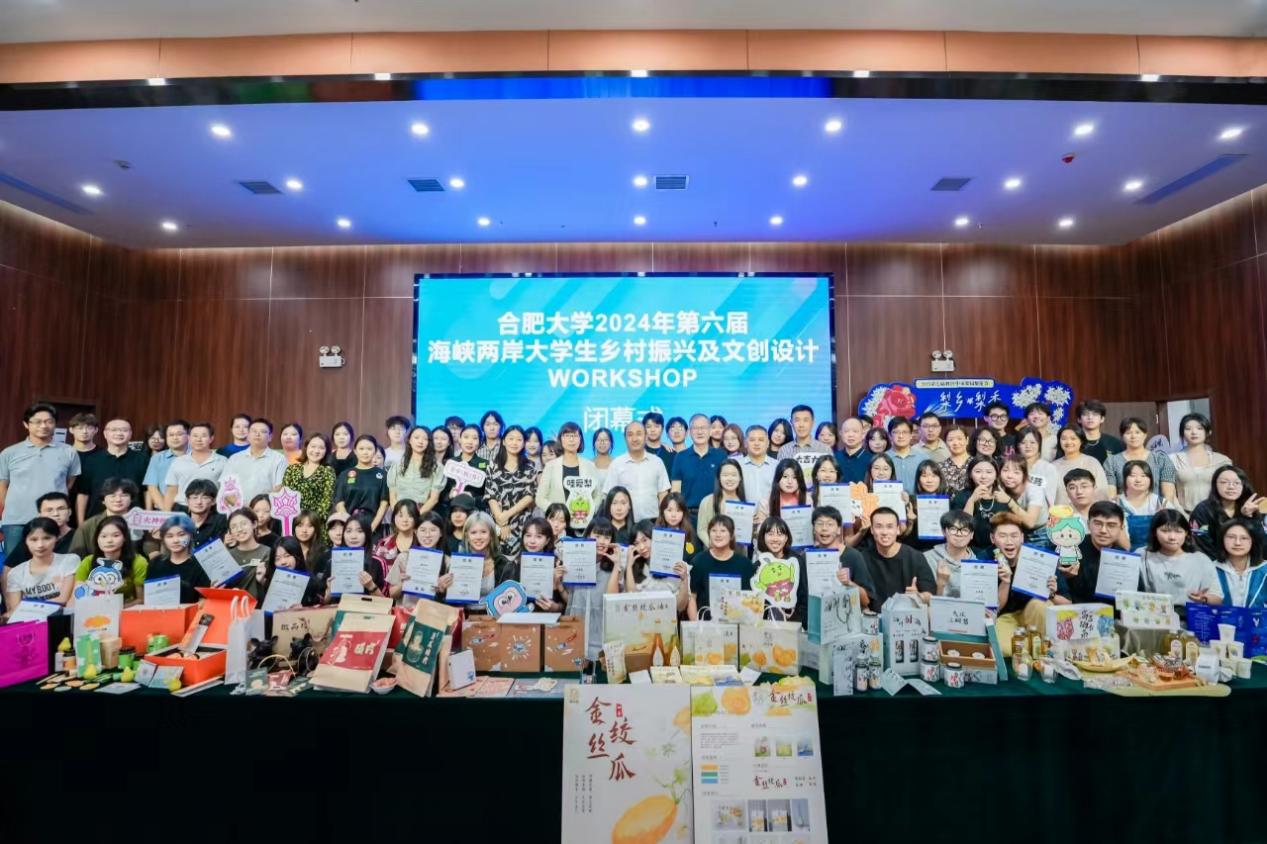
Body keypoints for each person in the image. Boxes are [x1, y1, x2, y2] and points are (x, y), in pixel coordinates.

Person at [0, 403, 82, 556]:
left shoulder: (69, 452)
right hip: (16, 520)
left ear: (55, 424)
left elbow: (68, 483)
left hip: (53, 519)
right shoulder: (10, 453)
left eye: (49, 421)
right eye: (37, 422)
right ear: (26, 424)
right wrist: (10, 509)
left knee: (52, 562)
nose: (43, 426)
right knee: (13, 564)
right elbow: (2, 486)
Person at [992, 512, 1064, 655]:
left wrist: (1052, 594)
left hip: (1035, 613)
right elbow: (995, 609)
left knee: (1041, 605)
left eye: (1014, 536)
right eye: (1003, 536)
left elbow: (1067, 604)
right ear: (992, 538)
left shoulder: (1040, 558)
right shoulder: (986, 558)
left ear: (1022, 538)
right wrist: (1005, 582)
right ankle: (1033, 648)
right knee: (1004, 649)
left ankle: (1037, 648)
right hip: (1006, 617)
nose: (1009, 541)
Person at [560, 516, 620, 662]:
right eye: (597, 536)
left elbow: (612, 600)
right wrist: (558, 584)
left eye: (607, 537)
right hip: (575, 635)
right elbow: (572, 600)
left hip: (600, 638)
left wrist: (617, 565)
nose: (602, 541)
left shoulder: (612, 568)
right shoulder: (573, 562)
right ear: (587, 536)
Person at [1139, 509, 1220, 613]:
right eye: (1165, 531)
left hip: (1188, 616)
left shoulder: (1201, 560)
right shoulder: (1142, 555)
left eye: (1178, 531)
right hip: (1152, 614)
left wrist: (1204, 599)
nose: (1172, 537)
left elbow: (1217, 597)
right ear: (1154, 532)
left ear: (1186, 533)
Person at [856, 507, 935, 605]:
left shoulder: (915, 557)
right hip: (874, 614)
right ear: (872, 530)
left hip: (907, 612)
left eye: (890, 527)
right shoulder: (862, 558)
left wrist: (918, 596)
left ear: (898, 529)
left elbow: (931, 595)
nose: (884, 532)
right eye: (879, 527)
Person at [75, 417, 146, 521]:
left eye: (124, 430)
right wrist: (81, 523)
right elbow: (83, 493)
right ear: (105, 434)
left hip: (134, 519)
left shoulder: (142, 459)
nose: (119, 433)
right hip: (97, 519)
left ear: (130, 434)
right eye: (114, 430)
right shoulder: (91, 460)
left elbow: (147, 491)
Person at [2, 517, 78, 613]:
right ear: (25, 541)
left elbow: (63, 599)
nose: (40, 545)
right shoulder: (16, 573)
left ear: (57, 538)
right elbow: (16, 609)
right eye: (34, 539)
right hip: (31, 620)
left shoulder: (69, 561)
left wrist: (30, 608)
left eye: (47, 538)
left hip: (62, 617)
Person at [1188, 465, 1267, 559]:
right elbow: (1201, 546)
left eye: (1237, 483)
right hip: (1214, 563)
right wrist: (1224, 565)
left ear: (1244, 486)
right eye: (1224, 482)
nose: (1231, 487)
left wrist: (1249, 517)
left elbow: (1261, 544)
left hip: (1246, 563)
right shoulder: (1202, 510)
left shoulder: (1249, 507)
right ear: (1215, 485)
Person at [803, 507, 875, 608]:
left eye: (830, 524)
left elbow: (866, 601)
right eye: (819, 524)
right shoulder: (806, 557)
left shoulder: (853, 556)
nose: (824, 528)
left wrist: (849, 583)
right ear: (814, 529)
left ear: (838, 530)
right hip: (813, 614)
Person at [1060, 501, 1130, 603]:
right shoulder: (1070, 550)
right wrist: (1064, 576)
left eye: (1111, 525)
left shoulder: (1126, 559)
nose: (1103, 530)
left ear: (1121, 528)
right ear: (1088, 524)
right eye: (1098, 524)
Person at [486, 425, 539, 556]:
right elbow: (490, 495)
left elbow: (529, 496)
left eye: (519, 440)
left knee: (521, 559)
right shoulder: (493, 465)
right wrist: (500, 520)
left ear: (524, 443)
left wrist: (506, 515)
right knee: (496, 558)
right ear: (504, 441)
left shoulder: (530, 466)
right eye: (511, 439)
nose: (514, 443)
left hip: (521, 521)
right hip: (496, 521)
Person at [602, 421, 670, 522]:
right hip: (625, 522)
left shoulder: (657, 462)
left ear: (646, 436)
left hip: (653, 521)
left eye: (639, 434)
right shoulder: (616, 464)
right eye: (630, 435)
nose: (634, 439)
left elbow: (663, 494)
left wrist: (662, 521)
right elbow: (609, 496)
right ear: (625, 438)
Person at [686, 514, 753, 617]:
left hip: (736, 621)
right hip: (706, 622)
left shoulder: (745, 564)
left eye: (723, 531)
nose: (718, 535)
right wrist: (695, 624)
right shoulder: (698, 562)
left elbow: (749, 599)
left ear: (731, 535)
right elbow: (692, 597)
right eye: (714, 531)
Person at [535, 421, 600, 523]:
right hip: (557, 523)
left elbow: (598, 495)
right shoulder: (551, 466)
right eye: (567, 436)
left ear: (580, 440)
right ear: (560, 439)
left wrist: (590, 510)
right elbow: (540, 498)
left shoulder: (589, 466)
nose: (571, 439)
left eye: (575, 436)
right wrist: (557, 512)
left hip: (583, 521)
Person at [620, 519, 690, 612]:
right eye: (636, 543)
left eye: (645, 540)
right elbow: (631, 599)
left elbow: (680, 607)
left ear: (656, 537)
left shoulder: (678, 567)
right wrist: (629, 566)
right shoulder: (633, 567)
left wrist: (684, 579)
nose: (641, 547)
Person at [75, 515, 147, 605]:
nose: (109, 540)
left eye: (116, 535)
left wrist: (117, 609)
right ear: (97, 539)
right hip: (94, 608)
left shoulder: (138, 562)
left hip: (126, 608)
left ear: (125, 538)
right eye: (103, 536)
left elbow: (141, 599)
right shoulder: (88, 562)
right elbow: (79, 595)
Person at [1103, 417, 1178, 505]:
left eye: (1137, 432)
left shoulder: (1161, 459)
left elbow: (1168, 495)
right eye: (1128, 433)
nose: (1133, 436)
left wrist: (1163, 511)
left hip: (1157, 509)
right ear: (1122, 436)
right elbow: (1111, 496)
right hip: (1124, 510)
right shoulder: (1112, 462)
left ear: (1145, 435)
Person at [1169, 412, 1233, 513]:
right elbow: (1169, 494)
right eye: (1188, 429)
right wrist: (1182, 516)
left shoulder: (1222, 460)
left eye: (1199, 428)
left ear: (1208, 432)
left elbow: (1229, 490)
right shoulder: (1172, 459)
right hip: (1185, 514)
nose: (1194, 432)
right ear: (1182, 434)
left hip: (1216, 514)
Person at [386, 511, 449, 608]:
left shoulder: (448, 562)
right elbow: (392, 594)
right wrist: (403, 584)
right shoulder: (404, 557)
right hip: (407, 613)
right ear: (416, 532)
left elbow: (454, 600)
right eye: (423, 530)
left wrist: (443, 590)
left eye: (433, 530)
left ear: (441, 533)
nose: (427, 535)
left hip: (434, 614)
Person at [670, 414, 728, 516]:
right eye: (695, 428)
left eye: (703, 428)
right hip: (688, 515)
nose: (700, 432)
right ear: (689, 432)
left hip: (715, 514)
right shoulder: (681, 457)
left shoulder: (721, 455)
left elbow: (726, 487)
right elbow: (675, 490)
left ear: (710, 431)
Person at [146, 515, 211, 603]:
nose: (175, 540)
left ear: (190, 536)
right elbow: (149, 598)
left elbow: (203, 601)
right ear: (163, 539)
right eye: (170, 536)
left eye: (181, 535)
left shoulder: (201, 564)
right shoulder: (155, 563)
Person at [323, 513, 388, 601]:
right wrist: (329, 591)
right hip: (338, 609)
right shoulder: (333, 562)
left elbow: (387, 602)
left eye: (360, 531)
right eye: (348, 531)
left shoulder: (378, 563)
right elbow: (324, 603)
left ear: (367, 534)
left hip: (367, 609)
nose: (353, 536)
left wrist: (371, 586)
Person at [333, 434, 390, 531]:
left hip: (374, 528)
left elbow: (384, 504)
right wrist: (351, 525)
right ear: (355, 451)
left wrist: (371, 528)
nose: (365, 452)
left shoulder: (383, 475)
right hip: (349, 527)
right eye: (361, 449)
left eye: (369, 449)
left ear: (375, 451)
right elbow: (339, 503)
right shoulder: (345, 474)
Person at [163, 421, 226, 509]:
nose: (199, 439)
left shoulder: (223, 461)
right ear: (189, 438)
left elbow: (226, 491)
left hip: (212, 508)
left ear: (211, 438)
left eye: (203, 436)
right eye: (195, 436)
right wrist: (166, 513)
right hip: (182, 507)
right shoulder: (178, 462)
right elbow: (171, 491)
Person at [70, 480, 139, 558]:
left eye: (124, 495)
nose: (118, 500)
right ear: (103, 500)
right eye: (112, 496)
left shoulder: (141, 522)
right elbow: (75, 557)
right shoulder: (88, 526)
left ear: (131, 499)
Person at [5, 491, 75, 567]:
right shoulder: (31, 537)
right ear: (39, 515)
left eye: (61, 509)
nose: (56, 514)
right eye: (49, 510)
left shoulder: (78, 536)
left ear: (69, 512)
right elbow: (9, 568)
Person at [224, 418, 286, 503]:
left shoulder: (279, 459)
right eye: (254, 431)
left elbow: (279, 488)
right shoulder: (234, 458)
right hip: (239, 508)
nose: (257, 434)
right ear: (248, 435)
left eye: (263, 432)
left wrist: (260, 507)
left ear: (270, 437)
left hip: (266, 508)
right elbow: (227, 489)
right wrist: (243, 507)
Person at [949, 457, 1006, 549]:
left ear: (996, 475)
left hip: (999, 550)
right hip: (968, 550)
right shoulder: (961, 497)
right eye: (978, 472)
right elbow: (960, 528)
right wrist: (972, 500)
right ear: (970, 474)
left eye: (989, 472)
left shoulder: (1003, 497)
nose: (983, 476)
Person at [923, 509, 979, 598]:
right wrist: (940, 585)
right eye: (953, 529)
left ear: (972, 535)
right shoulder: (926, 559)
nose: (959, 534)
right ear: (944, 532)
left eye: (965, 530)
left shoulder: (978, 566)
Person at [282, 433, 337, 524]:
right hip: (292, 522)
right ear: (306, 447)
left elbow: (327, 502)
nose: (316, 451)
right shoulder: (292, 469)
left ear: (326, 451)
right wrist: (296, 521)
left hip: (316, 523)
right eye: (313, 446)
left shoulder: (328, 471)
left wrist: (309, 522)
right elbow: (285, 497)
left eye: (321, 448)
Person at [247, 536, 316, 607]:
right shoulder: (270, 582)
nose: (283, 562)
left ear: (297, 556)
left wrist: (303, 609)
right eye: (278, 558)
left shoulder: (312, 582)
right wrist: (263, 582)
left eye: (287, 556)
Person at [386, 426, 442, 513]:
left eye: (425, 439)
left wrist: (417, 516)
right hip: (399, 512)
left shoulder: (436, 467)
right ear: (409, 440)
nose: (420, 441)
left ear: (429, 442)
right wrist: (399, 514)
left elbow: (434, 499)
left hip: (422, 513)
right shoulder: (397, 465)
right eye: (416, 437)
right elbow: (392, 497)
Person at [1214, 518, 1267, 608]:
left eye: (1244, 538)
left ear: (1253, 540)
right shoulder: (1210, 570)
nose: (1237, 543)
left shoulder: (1264, 570)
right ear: (1222, 539)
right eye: (1231, 537)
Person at [1051, 426, 1109, 504]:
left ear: (1081, 441)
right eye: (1064, 439)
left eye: (1073, 438)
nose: (1068, 442)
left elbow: (1102, 491)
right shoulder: (1052, 466)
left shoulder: (1091, 462)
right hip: (1060, 511)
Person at [695, 459, 750, 540]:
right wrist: (713, 545)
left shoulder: (746, 505)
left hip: (738, 547)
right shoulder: (707, 501)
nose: (730, 479)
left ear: (740, 478)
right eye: (725, 475)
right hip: (712, 547)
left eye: (734, 475)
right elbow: (701, 530)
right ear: (719, 478)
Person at [998, 456, 1048, 544]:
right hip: (1017, 532)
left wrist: (1009, 501)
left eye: (1016, 472)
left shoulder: (1034, 490)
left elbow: (1030, 523)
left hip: (1041, 532)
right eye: (1005, 470)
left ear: (1024, 475)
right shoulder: (1001, 489)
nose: (1009, 476)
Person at [142, 419, 190, 509]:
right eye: (171, 435)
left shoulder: (196, 456)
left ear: (189, 435)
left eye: (179, 434)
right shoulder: (157, 458)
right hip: (163, 507)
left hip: (193, 508)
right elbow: (152, 487)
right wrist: (166, 510)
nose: (175, 438)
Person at [440, 424, 491, 508]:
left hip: (475, 510)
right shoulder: (449, 463)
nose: (470, 442)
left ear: (480, 442)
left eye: (475, 438)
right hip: (450, 508)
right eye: (466, 437)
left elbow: (489, 495)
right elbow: (440, 493)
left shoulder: (486, 465)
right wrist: (448, 496)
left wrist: (474, 498)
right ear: (459, 439)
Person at [1117, 460, 1164, 550]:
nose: (1138, 480)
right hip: (1124, 553)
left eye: (1143, 476)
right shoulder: (1116, 504)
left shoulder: (1161, 503)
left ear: (1150, 479)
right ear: (1124, 478)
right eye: (1132, 476)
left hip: (1155, 552)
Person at [373, 499, 421, 580]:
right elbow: (377, 573)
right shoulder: (383, 544)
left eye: (410, 516)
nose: (405, 520)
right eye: (400, 516)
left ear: (416, 518)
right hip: (388, 587)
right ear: (394, 518)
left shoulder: (422, 542)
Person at [1016, 428, 1060, 506]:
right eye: (1023, 443)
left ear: (1039, 445)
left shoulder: (1048, 468)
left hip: (1041, 511)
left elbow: (1050, 498)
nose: (1028, 446)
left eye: (1032, 442)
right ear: (1018, 446)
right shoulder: (1012, 467)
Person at [761, 458, 809, 524]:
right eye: (785, 476)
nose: (790, 481)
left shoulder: (807, 500)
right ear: (778, 478)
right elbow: (761, 528)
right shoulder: (765, 502)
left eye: (794, 477)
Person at [1075, 400, 1125, 464]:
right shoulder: (1071, 443)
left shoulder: (1114, 443)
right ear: (1079, 419)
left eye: (1095, 414)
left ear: (1102, 419)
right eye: (1085, 414)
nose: (1090, 417)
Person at [184, 479, 229, 549]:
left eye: (204, 498)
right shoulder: (180, 523)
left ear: (213, 501)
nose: (199, 502)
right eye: (195, 497)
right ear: (187, 501)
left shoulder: (222, 521)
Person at [885, 417, 922, 494]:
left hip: (916, 501)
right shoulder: (882, 459)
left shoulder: (922, 459)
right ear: (889, 435)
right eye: (896, 432)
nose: (901, 436)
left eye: (905, 432)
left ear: (911, 435)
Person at [657, 493, 698, 559]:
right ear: (662, 512)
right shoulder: (656, 533)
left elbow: (694, 557)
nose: (673, 515)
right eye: (669, 510)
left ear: (683, 513)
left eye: (678, 510)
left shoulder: (690, 532)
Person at [834, 417, 874, 484]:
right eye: (846, 431)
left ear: (863, 434)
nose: (851, 435)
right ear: (840, 433)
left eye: (855, 431)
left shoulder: (872, 460)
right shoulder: (834, 458)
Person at [937, 426, 972, 494]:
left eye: (959, 439)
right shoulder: (940, 467)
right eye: (951, 440)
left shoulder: (977, 464)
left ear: (967, 440)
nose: (955, 443)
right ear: (945, 443)